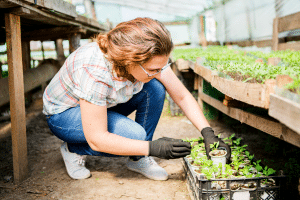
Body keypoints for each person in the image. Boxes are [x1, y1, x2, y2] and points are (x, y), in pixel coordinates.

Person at [43, 17, 230, 181]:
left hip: (101, 105)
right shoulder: (95, 72)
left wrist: (208, 133)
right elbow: (97, 138)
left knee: (155, 88)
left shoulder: (145, 62)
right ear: (130, 60)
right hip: (64, 115)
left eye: (161, 67)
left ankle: (138, 159)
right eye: (154, 70)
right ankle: (73, 149)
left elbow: (181, 95)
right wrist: (151, 148)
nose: (160, 72)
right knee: (134, 136)